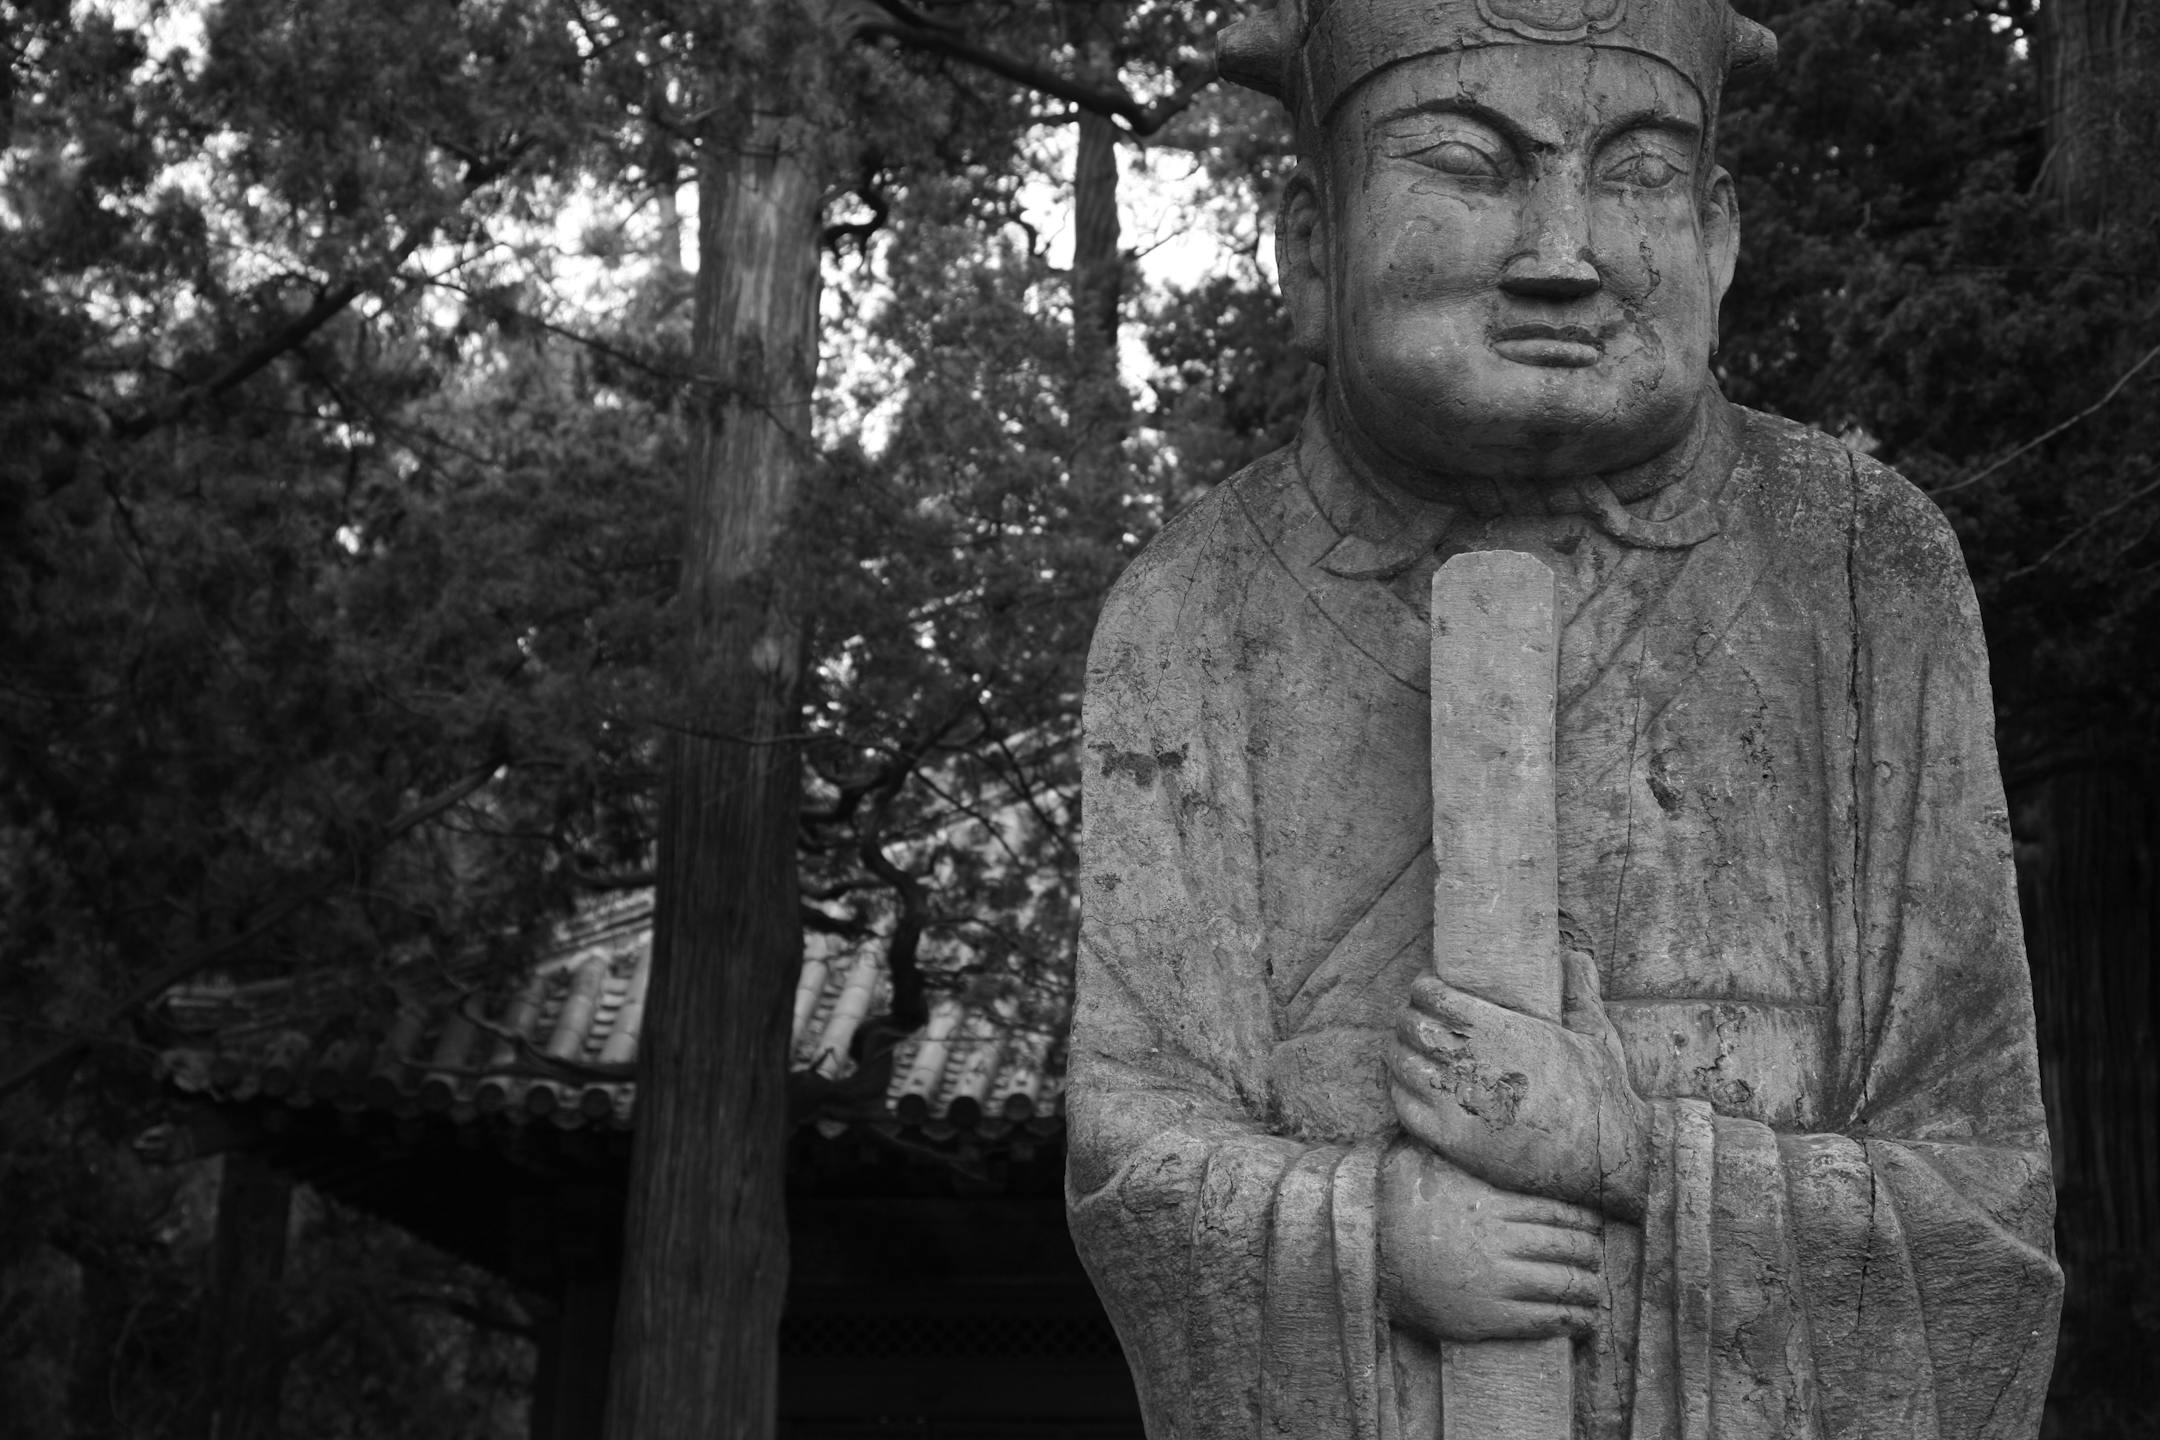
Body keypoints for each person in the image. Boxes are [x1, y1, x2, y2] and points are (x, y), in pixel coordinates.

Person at [1064, 2, 2063, 1436]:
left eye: (1637, 170)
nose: (1561, 252)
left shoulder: (1861, 570)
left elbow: (1986, 1203)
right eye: (1467, 166)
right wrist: (1370, 1240)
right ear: (1312, 245)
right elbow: (1133, 1163)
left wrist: (1632, 1158)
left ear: (1718, 233)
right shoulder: (1195, 608)